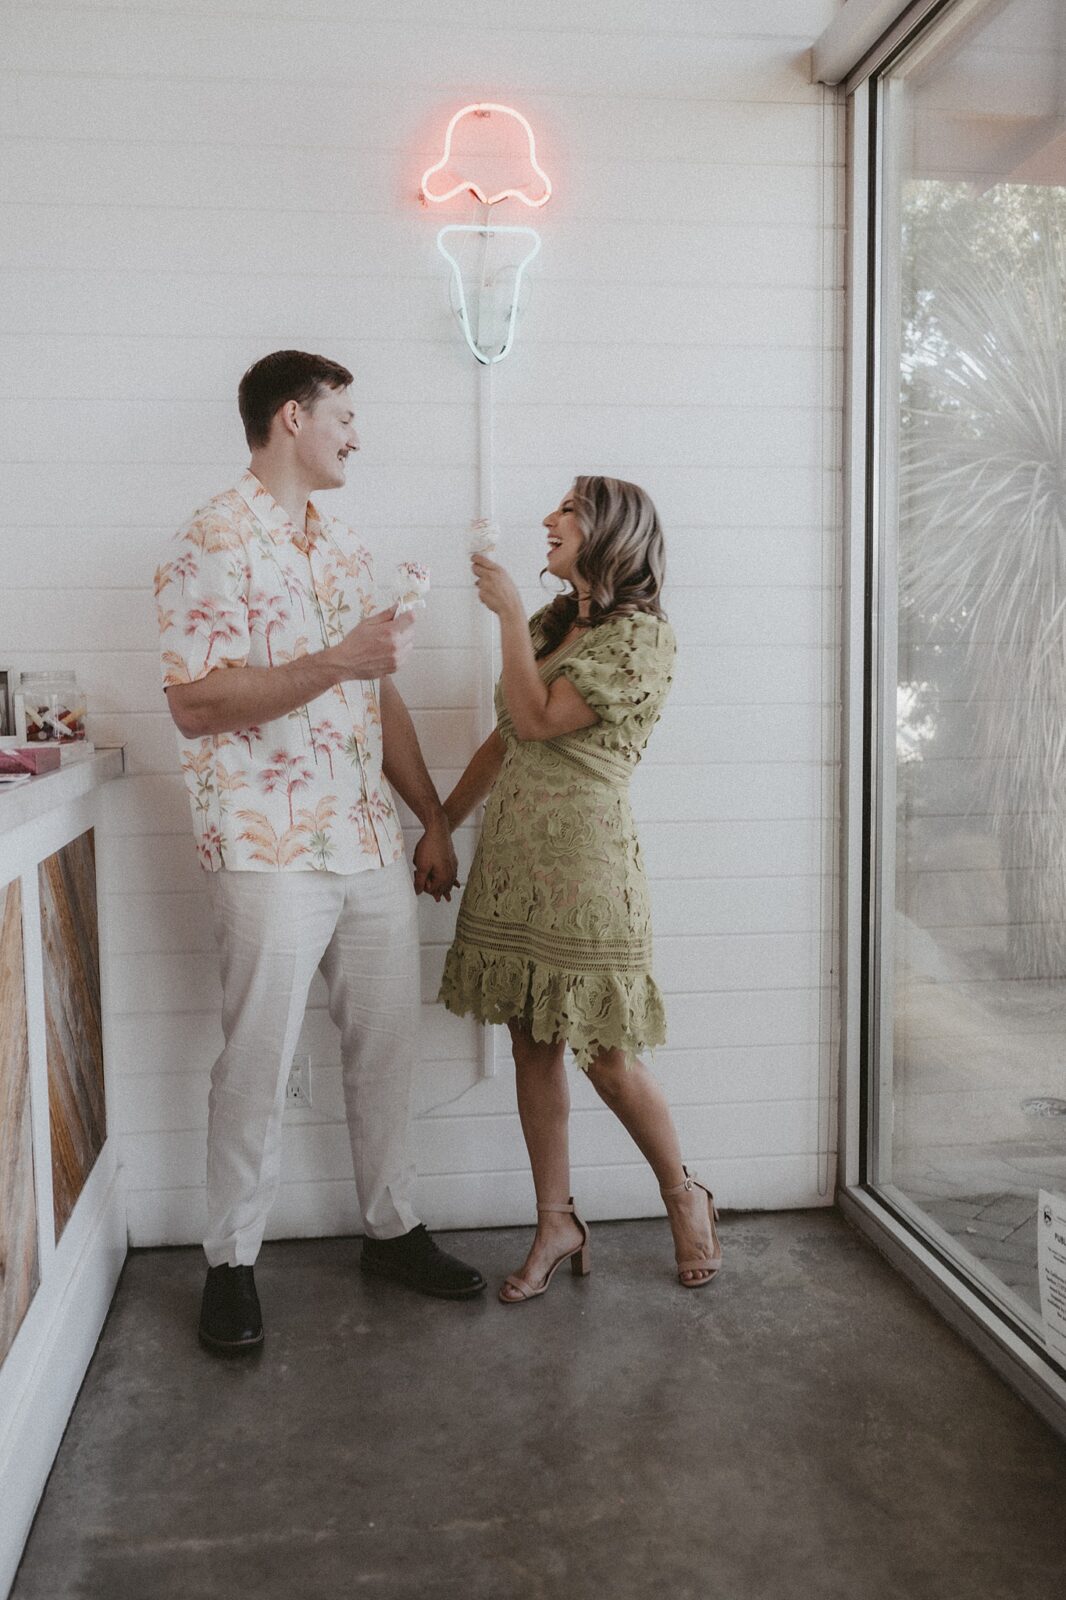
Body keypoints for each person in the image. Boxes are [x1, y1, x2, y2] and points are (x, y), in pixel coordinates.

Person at [156, 350, 485, 1353]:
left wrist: (429, 816)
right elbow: (193, 700)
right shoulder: (207, 539)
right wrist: (340, 658)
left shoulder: (343, 544)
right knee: (254, 1058)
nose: (357, 433)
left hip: (365, 838)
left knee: (386, 1044)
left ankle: (391, 1229)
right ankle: (231, 1263)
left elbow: (370, 694)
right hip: (266, 844)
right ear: (291, 418)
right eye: (344, 414)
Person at [438, 476, 722, 1302]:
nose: (547, 521)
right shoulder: (554, 625)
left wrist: (497, 618)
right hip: (515, 864)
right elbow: (506, 739)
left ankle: (684, 1194)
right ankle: (555, 1219)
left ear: (611, 533)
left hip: (587, 869)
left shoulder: (644, 642)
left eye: (567, 509)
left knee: (605, 1055)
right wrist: (441, 824)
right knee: (532, 1044)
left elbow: (537, 719)